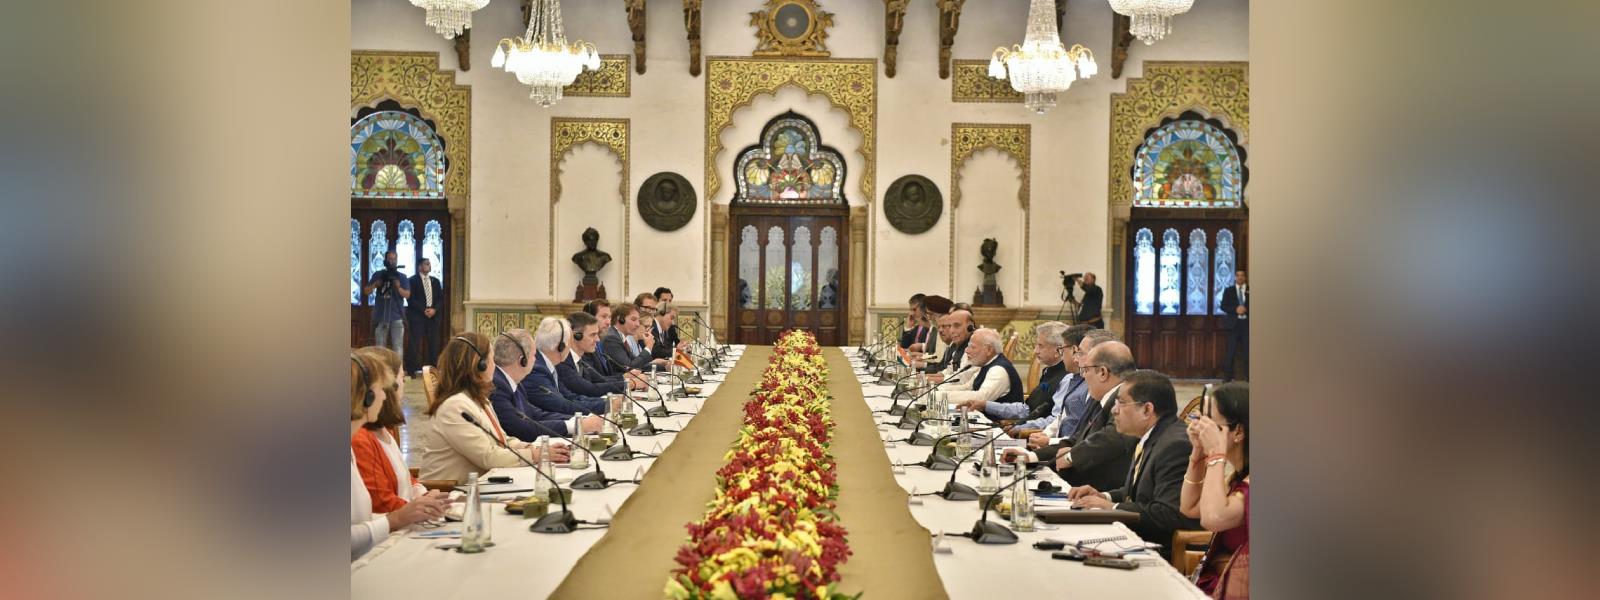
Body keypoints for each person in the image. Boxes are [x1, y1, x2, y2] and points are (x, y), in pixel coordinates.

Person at [1067, 370, 1201, 560]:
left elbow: (1168, 514)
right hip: (1135, 537)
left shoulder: (1175, 445)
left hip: (1160, 550)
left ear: (1147, 410)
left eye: (1121, 403)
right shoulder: (1152, 435)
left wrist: (1112, 507)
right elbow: (1141, 493)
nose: (1114, 410)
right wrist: (1102, 495)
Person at [417, 333, 570, 483]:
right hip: (446, 494)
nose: (494, 366)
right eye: (491, 359)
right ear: (480, 365)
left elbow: (502, 440)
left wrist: (533, 448)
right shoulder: (455, 406)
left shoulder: (478, 398)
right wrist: (535, 454)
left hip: (475, 486)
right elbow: (488, 457)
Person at [1004, 337, 1138, 493]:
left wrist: (1069, 457)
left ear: (1103, 372)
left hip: (1096, 491)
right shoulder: (1101, 399)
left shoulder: (1127, 400)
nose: (1083, 376)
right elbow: (1077, 439)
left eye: (1085, 370)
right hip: (1080, 484)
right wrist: (1031, 457)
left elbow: (1109, 439)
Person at [351, 350, 447, 561]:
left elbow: (403, 477)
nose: (386, 395)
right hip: (378, 550)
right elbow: (381, 505)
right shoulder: (359, 440)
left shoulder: (386, 430)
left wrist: (422, 496)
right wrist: (401, 516)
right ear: (366, 396)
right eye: (400, 381)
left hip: (392, 538)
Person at [1182, 383, 1249, 598]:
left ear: (1238, 431)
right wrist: (1199, 451)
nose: (1203, 428)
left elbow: (1214, 518)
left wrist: (1216, 455)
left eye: (1210, 424)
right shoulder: (1238, 474)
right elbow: (1190, 507)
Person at [489, 329, 601, 440]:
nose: (536, 359)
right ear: (522, 360)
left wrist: (579, 420)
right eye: (534, 355)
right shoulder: (497, 386)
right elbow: (521, 428)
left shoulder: (511, 381)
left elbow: (535, 414)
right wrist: (575, 425)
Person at [1007, 323, 1091, 436]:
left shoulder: (1079, 381)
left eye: (1040, 346)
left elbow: (1073, 429)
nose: (1035, 351)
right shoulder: (1067, 377)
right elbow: (1059, 420)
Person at [523, 317, 611, 415]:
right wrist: (608, 405)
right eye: (569, 343)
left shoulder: (548, 365)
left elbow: (569, 397)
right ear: (560, 346)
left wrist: (606, 403)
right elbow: (561, 405)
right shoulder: (536, 371)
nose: (570, 348)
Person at [557, 311, 644, 396]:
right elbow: (589, 389)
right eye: (592, 335)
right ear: (576, 336)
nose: (597, 339)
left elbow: (601, 380)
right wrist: (631, 384)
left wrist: (626, 378)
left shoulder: (580, 359)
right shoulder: (563, 361)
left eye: (597, 334)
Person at [948, 328, 1025, 418]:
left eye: (972, 347)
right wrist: (937, 391)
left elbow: (981, 398)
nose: (966, 351)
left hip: (1001, 426)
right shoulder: (986, 364)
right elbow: (967, 387)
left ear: (989, 350)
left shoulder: (998, 369)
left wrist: (943, 397)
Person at [362, 250, 412, 361]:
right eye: (390, 258)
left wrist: (398, 287)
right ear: (385, 260)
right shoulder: (378, 275)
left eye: (394, 259)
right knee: (380, 348)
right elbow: (366, 291)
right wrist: (376, 284)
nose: (392, 261)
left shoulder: (402, 277)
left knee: (398, 347)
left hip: (396, 316)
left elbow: (408, 295)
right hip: (380, 316)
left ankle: (398, 374)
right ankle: (381, 373)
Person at [404, 258, 444, 374]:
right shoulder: (412, 280)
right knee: (414, 343)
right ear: (420, 267)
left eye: (429, 264)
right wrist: (424, 310)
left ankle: (433, 370)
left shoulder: (435, 281)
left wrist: (434, 309)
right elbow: (411, 299)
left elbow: (441, 299)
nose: (429, 266)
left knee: (433, 343)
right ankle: (412, 369)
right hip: (417, 317)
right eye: (427, 264)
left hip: (433, 317)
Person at [602, 303, 667, 371]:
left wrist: (663, 367)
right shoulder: (612, 338)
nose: (638, 324)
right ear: (620, 319)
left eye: (638, 321)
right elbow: (629, 368)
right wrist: (648, 348)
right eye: (633, 320)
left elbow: (637, 364)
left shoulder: (620, 337)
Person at [923, 309, 975, 381]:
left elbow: (960, 380)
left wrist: (926, 378)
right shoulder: (958, 346)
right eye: (950, 326)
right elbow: (948, 372)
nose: (952, 331)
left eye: (957, 326)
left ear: (970, 326)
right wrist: (923, 377)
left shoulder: (974, 347)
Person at [1219, 270, 1249, 381]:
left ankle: (1249, 378)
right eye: (1238, 275)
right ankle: (1227, 378)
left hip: (1247, 325)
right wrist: (1236, 309)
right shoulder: (1229, 291)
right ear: (1235, 277)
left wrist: (1246, 309)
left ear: (1245, 277)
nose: (1240, 277)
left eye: (1242, 275)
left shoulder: (1250, 289)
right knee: (1230, 352)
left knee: (1248, 352)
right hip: (1233, 325)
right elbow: (1223, 306)